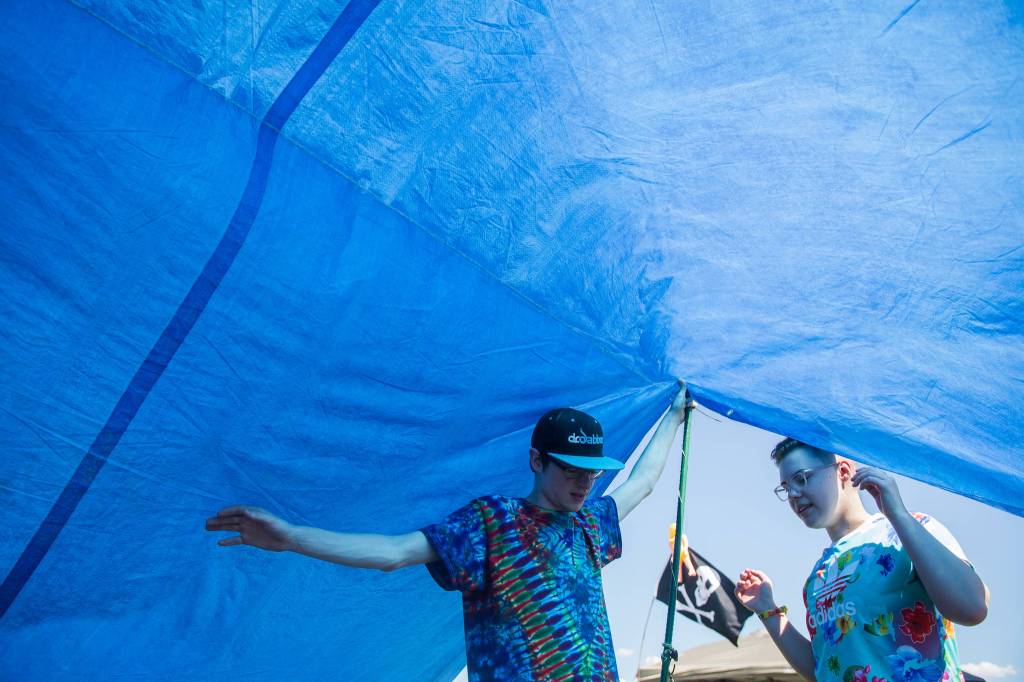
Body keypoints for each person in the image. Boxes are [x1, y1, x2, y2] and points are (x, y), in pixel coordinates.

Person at [206, 382, 689, 681]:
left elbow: (642, 482)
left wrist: (675, 414)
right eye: (572, 470)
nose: (585, 483)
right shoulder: (491, 522)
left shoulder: (589, 523)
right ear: (537, 461)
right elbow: (394, 552)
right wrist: (291, 537)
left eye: (593, 473)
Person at [735, 438, 989, 682]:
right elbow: (825, 670)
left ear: (843, 471)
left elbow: (973, 608)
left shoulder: (912, 528)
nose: (793, 493)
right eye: (786, 486)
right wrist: (768, 610)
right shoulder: (818, 577)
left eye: (802, 478)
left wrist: (897, 514)